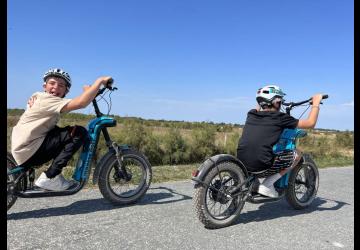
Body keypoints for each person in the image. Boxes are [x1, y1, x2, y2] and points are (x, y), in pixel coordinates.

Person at [11, 68, 112, 191]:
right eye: (52, 83)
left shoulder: (37, 96)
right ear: (45, 85)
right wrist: (99, 81)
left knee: (60, 131)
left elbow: (80, 99)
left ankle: (53, 176)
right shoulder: (47, 100)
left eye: (61, 85)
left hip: (24, 148)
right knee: (78, 132)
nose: (56, 88)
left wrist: (90, 91)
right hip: (29, 150)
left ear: (66, 90)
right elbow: (81, 103)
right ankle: (51, 177)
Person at [236, 85, 323, 198]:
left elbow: (258, 106)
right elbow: (310, 123)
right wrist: (316, 103)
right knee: (297, 154)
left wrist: (261, 98)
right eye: (280, 101)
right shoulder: (280, 117)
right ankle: (267, 184)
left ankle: (252, 183)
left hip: (242, 163)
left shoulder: (251, 114)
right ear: (276, 102)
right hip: (262, 167)